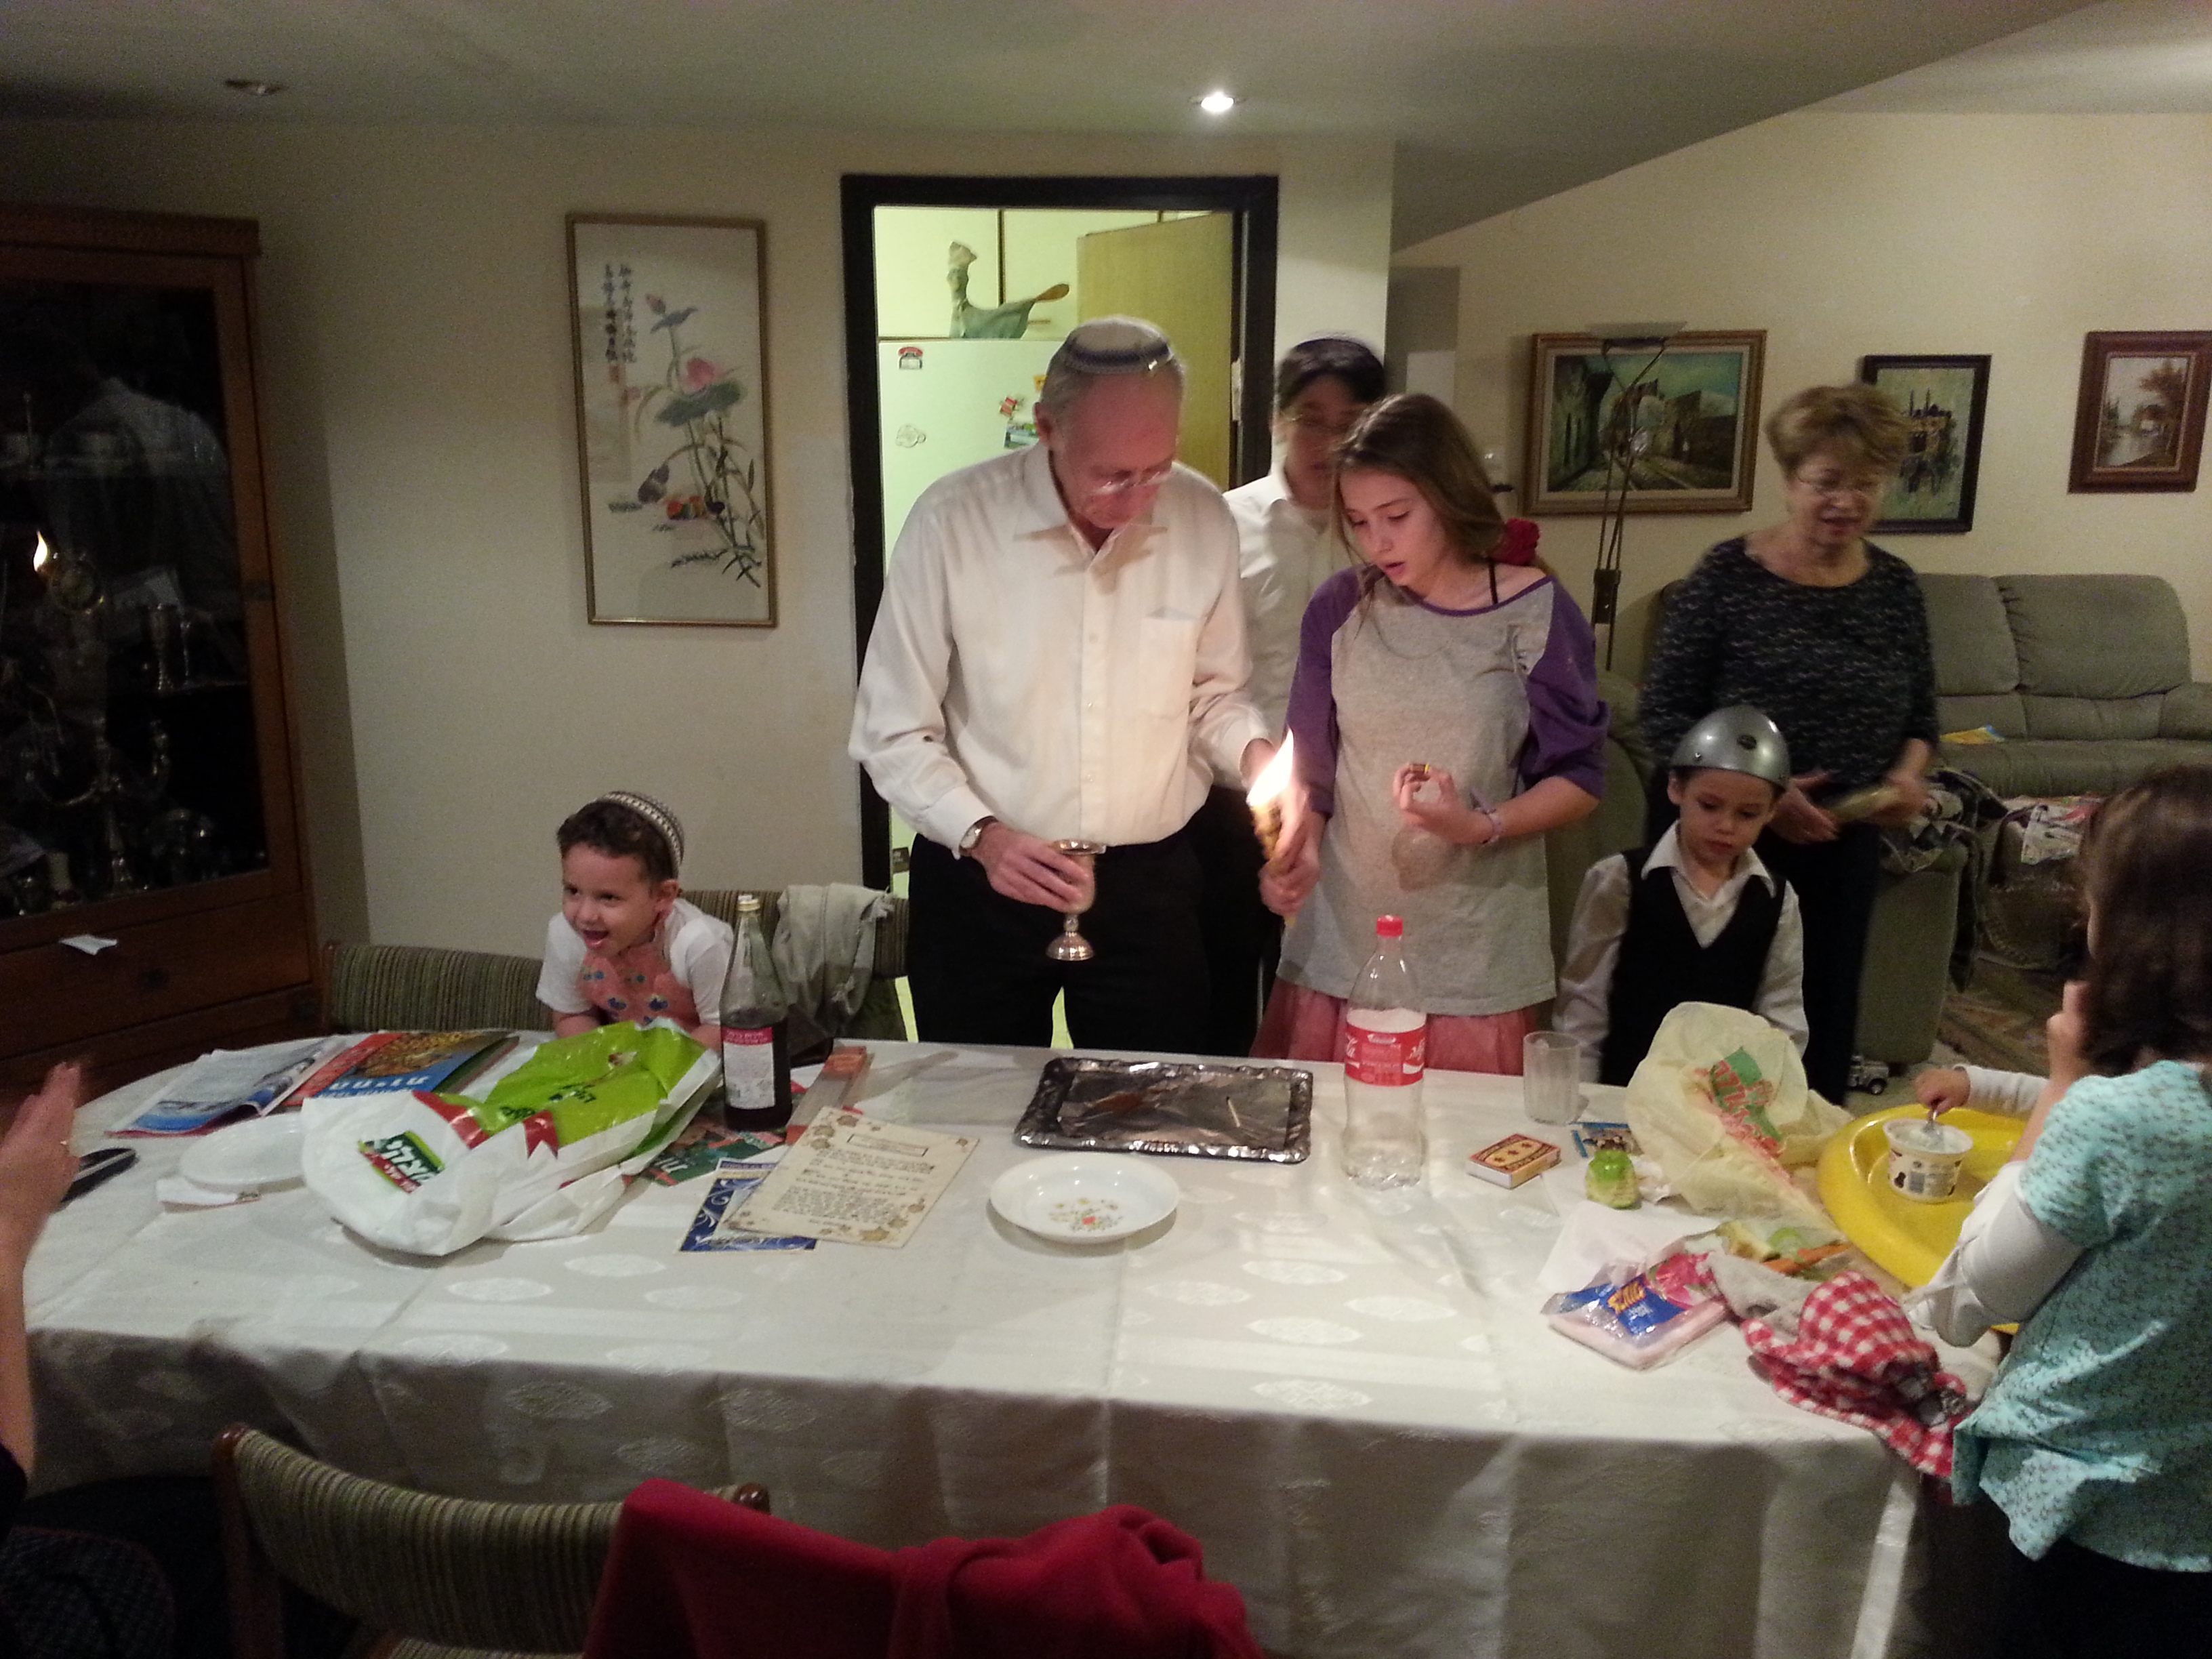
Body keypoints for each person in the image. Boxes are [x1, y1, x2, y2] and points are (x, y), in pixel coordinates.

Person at [850, 317, 1270, 1053]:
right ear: (1046, 427)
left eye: (1157, 468)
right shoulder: (955, 520)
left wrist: (1258, 758)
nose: (1137, 497)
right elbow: (892, 729)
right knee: (975, 1101)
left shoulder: (1202, 517)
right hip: (986, 876)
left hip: (1148, 884)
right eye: (1112, 475)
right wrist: (984, 837)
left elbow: (1212, 698)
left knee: (1152, 1102)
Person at [1914, 767, 2212, 1656]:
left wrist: (2060, 1086)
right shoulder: (2157, 1087)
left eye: (2095, 899)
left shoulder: (2115, 1117)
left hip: (2082, 1508)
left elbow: (1970, 1296)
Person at [1255, 393, 1605, 1072]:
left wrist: (1480, 825)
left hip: (1472, 948)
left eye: (1397, 517)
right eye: (1359, 521)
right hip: (1345, 939)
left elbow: (1581, 777)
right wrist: (1299, 851)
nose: (1377, 542)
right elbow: (1314, 774)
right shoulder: (1341, 607)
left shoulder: (1531, 611)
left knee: (1455, 1129)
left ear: (1447, 497)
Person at [1637, 383, 1938, 1103]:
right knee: (1707, 1025)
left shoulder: (1895, 587)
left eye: (1865, 483)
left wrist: (1907, 777)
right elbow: (1663, 714)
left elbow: (1922, 719)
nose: (1845, 501)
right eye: (1826, 481)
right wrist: (1764, 799)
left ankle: (1803, 1155)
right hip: (1723, 838)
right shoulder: (1727, 575)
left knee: (1819, 1018)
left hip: (1842, 843)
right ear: (1790, 480)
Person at [1189, 337, 1388, 1057]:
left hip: (1350, 803)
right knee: (1220, 990)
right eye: (1311, 419)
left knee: (1325, 993)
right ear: (1277, 420)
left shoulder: (1384, 529)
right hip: (1231, 797)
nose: (1328, 443)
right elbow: (1196, 668)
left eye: (1350, 424)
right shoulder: (1222, 522)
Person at [1557, 705, 1806, 1085]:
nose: (1726, 826)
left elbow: (1782, 1014)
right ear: (1676, 788)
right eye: (1710, 806)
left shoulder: (1777, 900)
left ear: (1772, 811)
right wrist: (1580, 1091)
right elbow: (1585, 1004)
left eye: (1748, 814)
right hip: (1625, 1089)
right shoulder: (1618, 879)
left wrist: (1761, 1089)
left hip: (1720, 1101)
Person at [537, 792, 731, 1046]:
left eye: (608, 897)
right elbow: (572, 1015)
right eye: (573, 891)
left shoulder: (701, 944)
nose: (585, 915)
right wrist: (605, 1060)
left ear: (662, 896)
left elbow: (722, 1028)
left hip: (691, 1062)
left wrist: (653, 1067)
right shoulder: (567, 935)